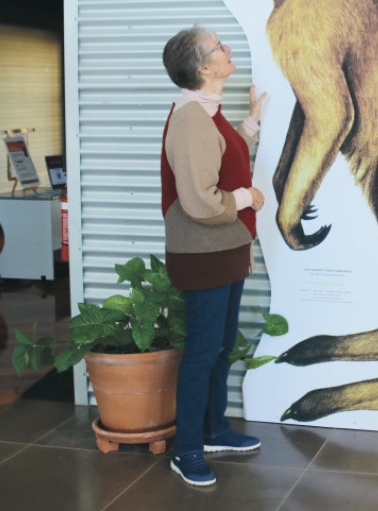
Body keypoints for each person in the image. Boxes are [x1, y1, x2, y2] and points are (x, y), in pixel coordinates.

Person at [160, 25, 267, 486]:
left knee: (220, 345)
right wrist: (248, 199)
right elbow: (201, 201)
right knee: (203, 352)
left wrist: (250, 124)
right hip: (206, 252)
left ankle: (213, 430)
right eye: (219, 47)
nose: (228, 49)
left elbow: (220, 156)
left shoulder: (207, 113)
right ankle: (186, 450)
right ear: (204, 67)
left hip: (225, 250)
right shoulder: (190, 118)